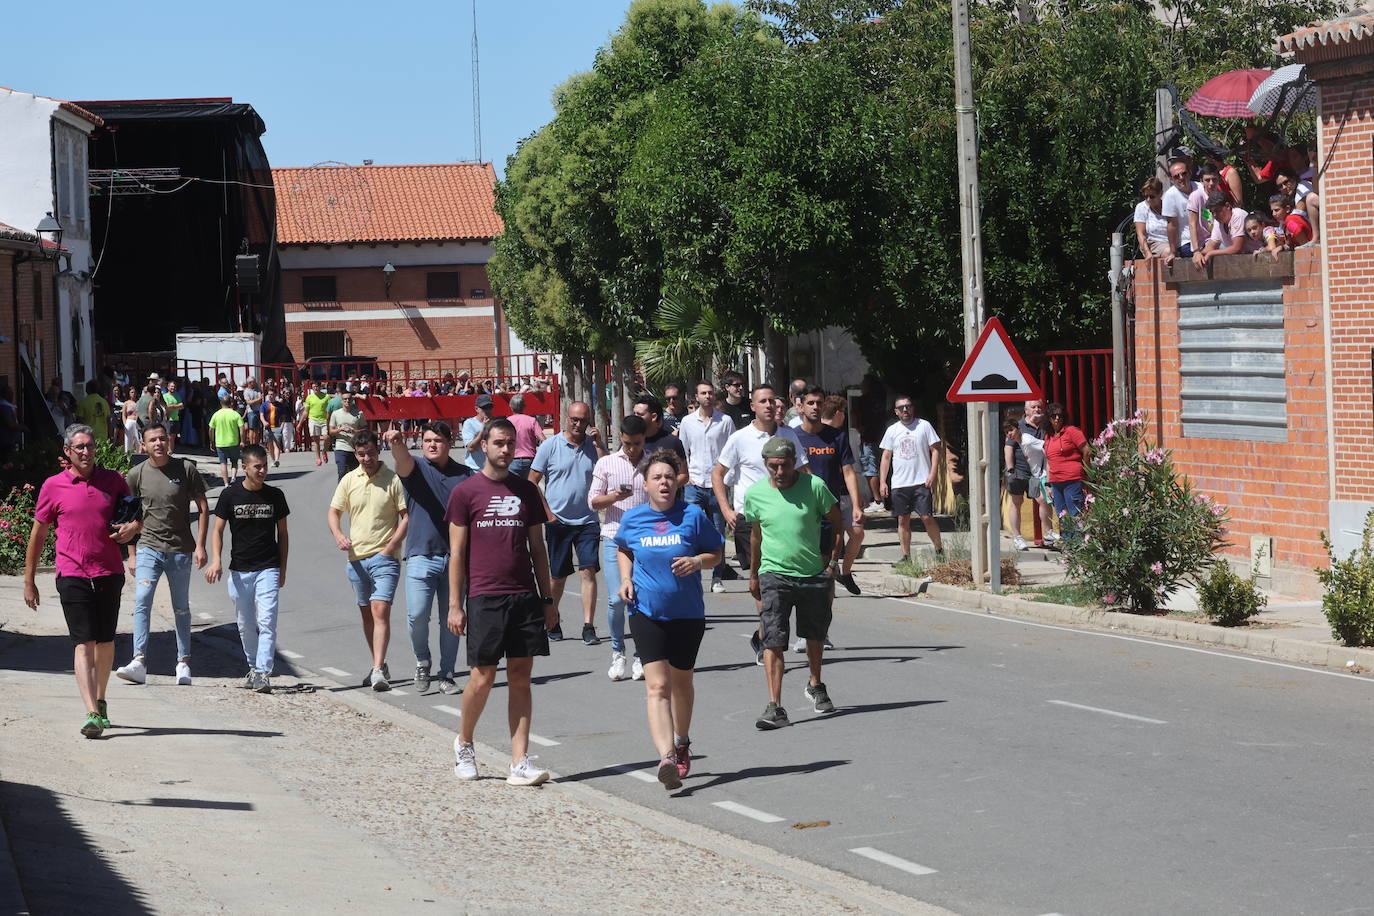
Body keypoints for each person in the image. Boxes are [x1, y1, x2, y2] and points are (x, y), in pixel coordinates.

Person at [445, 418, 556, 786]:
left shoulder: (526, 491)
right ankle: (464, 743)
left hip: (524, 595)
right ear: (484, 446)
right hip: (484, 596)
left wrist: (547, 598)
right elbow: (457, 553)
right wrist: (455, 604)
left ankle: (519, 761)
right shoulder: (466, 493)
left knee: (522, 678)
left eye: (511, 443)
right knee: (483, 677)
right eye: (499, 443)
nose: (506, 450)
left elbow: (537, 548)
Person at [614, 449, 724, 789]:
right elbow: (623, 548)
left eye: (668, 477)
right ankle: (666, 757)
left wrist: (697, 562)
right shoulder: (633, 519)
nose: (663, 482)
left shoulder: (692, 515)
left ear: (678, 481)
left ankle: (682, 741)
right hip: (646, 612)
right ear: (645, 485)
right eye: (656, 478)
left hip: (687, 613)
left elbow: (716, 552)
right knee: (657, 686)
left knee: (682, 683)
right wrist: (626, 578)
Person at [24, 424, 140, 738]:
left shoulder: (113, 480)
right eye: (80, 448)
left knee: (105, 642)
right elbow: (39, 533)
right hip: (72, 573)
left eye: (90, 446)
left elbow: (133, 518)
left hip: (108, 572)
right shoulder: (53, 486)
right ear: (68, 452)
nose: (86, 452)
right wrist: (29, 580)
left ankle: (101, 700)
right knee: (83, 643)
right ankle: (90, 712)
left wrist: (131, 534)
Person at [746, 436, 842, 729]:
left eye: (785, 465)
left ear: (794, 463)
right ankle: (775, 706)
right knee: (773, 638)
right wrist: (753, 573)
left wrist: (833, 564)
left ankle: (816, 684)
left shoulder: (814, 487)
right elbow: (756, 536)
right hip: (773, 573)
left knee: (814, 634)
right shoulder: (755, 494)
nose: (779, 472)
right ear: (765, 464)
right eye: (773, 466)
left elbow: (838, 523)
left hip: (813, 572)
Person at [712, 384, 807, 665]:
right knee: (764, 582)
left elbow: (803, 472)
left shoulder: (789, 436)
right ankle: (770, 640)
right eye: (762, 401)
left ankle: (764, 633)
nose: (768, 406)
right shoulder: (740, 438)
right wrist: (726, 509)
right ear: (752, 406)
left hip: (787, 519)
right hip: (750, 520)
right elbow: (718, 474)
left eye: (772, 401)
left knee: (787, 581)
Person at [114, 424, 208, 687]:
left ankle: (183, 663)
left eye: (162, 439)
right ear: (143, 445)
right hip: (148, 547)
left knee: (181, 607)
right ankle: (139, 661)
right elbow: (127, 517)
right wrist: (131, 554)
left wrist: (200, 545)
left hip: (180, 549)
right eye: (152, 440)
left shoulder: (186, 469)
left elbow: (203, 508)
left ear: (168, 441)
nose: (158, 443)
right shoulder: (136, 474)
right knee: (142, 600)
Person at [386, 421, 470, 695]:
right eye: (427, 440)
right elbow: (402, 460)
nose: (432, 444)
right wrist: (397, 442)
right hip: (421, 556)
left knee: (452, 620)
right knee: (417, 615)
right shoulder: (417, 469)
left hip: (456, 559)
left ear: (450, 443)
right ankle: (422, 660)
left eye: (438, 440)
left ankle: (447, 673)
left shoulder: (465, 475)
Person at [205, 444, 289, 693]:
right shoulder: (230, 495)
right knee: (244, 623)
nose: (262, 471)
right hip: (240, 570)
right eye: (257, 467)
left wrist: (282, 568)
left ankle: (263, 672)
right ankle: (253, 667)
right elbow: (218, 530)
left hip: (268, 567)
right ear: (244, 468)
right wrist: (216, 560)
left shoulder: (275, 496)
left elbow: (283, 534)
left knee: (267, 621)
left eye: (264, 466)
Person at [328, 430, 408, 690]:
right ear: (355, 454)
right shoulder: (349, 480)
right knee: (367, 615)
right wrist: (339, 534)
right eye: (361, 454)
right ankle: (379, 662)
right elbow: (334, 512)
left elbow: (406, 516)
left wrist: (391, 547)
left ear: (378, 450)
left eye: (371, 453)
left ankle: (377, 671)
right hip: (356, 559)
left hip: (385, 558)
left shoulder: (393, 479)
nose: (366, 458)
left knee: (380, 610)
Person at [529, 401, 606, 644]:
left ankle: (588, 626)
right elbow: (532, 482)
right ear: (566, 419)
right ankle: (552, 618)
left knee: (588, 571)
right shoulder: (550, 446)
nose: (578, 424)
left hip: (588, 521)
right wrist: (547, 514)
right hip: (558, 521)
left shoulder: (593, 448)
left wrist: (600, 445)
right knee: (558, 576)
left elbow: (610, 472)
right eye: (574, 419)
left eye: (583, 420)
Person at [589, 415, 650, 681]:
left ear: (644, 439)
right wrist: (614, 496)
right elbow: (593, 502)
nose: (631, 449)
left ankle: (641, 655)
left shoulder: (653, 463)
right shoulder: (607, 463)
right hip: (615, 537)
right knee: (617, 599)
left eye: (636, 443)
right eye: (626, 443)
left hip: (646, 541)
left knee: (641, 600)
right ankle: (618, 651)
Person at [796, 386, 864, 596]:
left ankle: (825, 605)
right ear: (801, 406)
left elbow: (848, 472)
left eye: (819, 403)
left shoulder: (837, 437)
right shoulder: (792, 436)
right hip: (800, 510)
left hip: (828, 508)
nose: (815, 407)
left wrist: (856, 504)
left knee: (826, 567)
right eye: (810, 403)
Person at [677, 380, 735, 595]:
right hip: (694, 483)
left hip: (717, 485)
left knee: (717, 531)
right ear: (697, 397)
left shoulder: (725, 421)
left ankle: (717, 577)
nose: (708, 396)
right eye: (703, 393)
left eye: (710, 393)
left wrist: (727, 478)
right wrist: (687, 476)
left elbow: (732, 449)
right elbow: (683, 450)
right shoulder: (687, 422)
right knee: (689, 529)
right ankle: (691, 573)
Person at [878, 395, 944, 563]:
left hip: (921, 481)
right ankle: (906, 556)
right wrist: (883, 481)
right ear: (896, 412)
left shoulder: (924, 426)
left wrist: (932, 473)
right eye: (901, 408)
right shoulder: (892, 430)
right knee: (903, 519)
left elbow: (936, 450)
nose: (905, 410)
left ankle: (939, 550)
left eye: (908, 406)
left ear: (913, 408)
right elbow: (886, 457)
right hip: (900, 483)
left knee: (927, 517)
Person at [820, 394, 867, 591]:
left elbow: (848, 470)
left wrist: (857, 499)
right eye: (844, 413)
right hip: (822, 497)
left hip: (844, 494)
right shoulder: (814, 433)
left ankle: (845, 573)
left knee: (857, 533)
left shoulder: (840, 436)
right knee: (826, 541)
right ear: (839, 413)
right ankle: (826, 580)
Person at [1045, 403, 1090, 530]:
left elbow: (1087, 451)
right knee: (1062, 515)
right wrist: (1048, 484)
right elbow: (1049, 460)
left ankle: (1078, 546)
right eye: (1054, 416)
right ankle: (1067, 547)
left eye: (1060, 415)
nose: (1057, 418)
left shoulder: (1072, 431)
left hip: (1072, 480)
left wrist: (1087, 471)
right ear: (1048, 418)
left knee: (1075, 515)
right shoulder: (1048, 436)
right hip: (1056, 482)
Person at [1019, 399, 1057, 547]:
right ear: (1026, 410)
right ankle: (1047, 533)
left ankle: (1048, 534)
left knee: (1047, 501)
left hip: (1047, 469)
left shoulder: (1047, 425)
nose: (1037, 409)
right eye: (1033, 407)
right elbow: (1010, 445)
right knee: (1041, 500)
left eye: (1039, 407)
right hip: (1029, 472)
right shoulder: (1020, 427)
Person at [1192, 192, 1248, 268]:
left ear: (1227, 206)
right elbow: (1211, 245)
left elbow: (1237, 248)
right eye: (1212, 212)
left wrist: (1211, 253)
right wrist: (1198, 254)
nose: (1214, 215)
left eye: (1217, 211)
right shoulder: (1218, 222)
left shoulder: (1238, 215)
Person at [632, 394, 688, 469]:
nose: (635, 418)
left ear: (653, 417)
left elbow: (683, 474)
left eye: (640, 415)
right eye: (634, 414)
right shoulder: (630, 441)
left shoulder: (672, 442)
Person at [1164, 158, 1200, 258]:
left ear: (1190, 173)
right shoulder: (1170, 196)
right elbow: (1172, 226)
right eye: (1176, 176)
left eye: (1184, 173)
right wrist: (1173, 252)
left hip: (1207, 239)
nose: (1181, 178)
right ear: (1171, 179)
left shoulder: (1200, 188)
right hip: (1187, 242)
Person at [209, 395, 245, 487]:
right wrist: (242, 440)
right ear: (231, 403)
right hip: (233, 442)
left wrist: (211, 441)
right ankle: (233, 477)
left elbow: (211, 429)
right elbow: (242, 428)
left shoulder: (216, 415)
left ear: (221, 403)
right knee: (234, 462)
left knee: (223, 463)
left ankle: (225, 483)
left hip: (220, 443)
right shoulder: (235, 414)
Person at [506, 393, 545, 478]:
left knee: (513, 489)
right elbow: (544, 440)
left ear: (511, 406)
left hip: (513, 459)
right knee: (530, 488)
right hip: (530, 459)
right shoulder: (532, 420)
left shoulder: (507, 422)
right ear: (524, 406)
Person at [1133, 177, 1172, 261]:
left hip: (1171, 241)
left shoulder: (1168, 205)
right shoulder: (1142, 207)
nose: (1148, 199)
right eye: (1146, 196)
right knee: (1170, 252)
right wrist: (1147, 253)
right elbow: (1140, 234)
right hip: (1153, 243)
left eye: (1152, 196)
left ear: (1160, 194)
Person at [329, 391, 365, 480]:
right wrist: (340, 429)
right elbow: (331, 431)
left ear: (352, 400)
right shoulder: (335, 414)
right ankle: (341, 493)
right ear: (341, 401)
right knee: (342, 472)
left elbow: (365, 431)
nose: (347, 401)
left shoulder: (359, 413)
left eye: (349, 399)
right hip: (341, 447)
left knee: (356, 475)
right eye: (345, 399)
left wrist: (353, 431)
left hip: (355, 447)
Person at [462, 393, 494, 471]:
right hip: (475, 469)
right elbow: (470, 448)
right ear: (476, 409)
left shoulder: (495, 423)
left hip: (492, 469)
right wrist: (483, 428)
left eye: (490, 407)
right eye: (484, 408)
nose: (487, 410)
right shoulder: (469, 423)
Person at [304, 381, 331, 467]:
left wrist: (329, 419)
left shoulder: (326, 397)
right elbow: (306, 411)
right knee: (316, 440)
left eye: (317, 386)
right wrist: (300, 422)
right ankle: (318, 458)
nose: (315, 388)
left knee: (327, 437)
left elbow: (329, 409)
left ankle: (324, 451)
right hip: (313, 419)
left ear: (320, 387)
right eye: (314, 387)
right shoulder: (309, 397)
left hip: (324, 420)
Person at [163, 380, 184, 451]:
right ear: (168, 387)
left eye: (174, 387)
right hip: (168, 419)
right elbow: (167, 407)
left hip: (176, 418)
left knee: (173, 436)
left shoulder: (177, 395)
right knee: (169, 436)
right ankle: (168, 451)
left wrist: (172, 406)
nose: (173, 388)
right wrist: (176, 406)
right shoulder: (165, 396)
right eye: (172, 386)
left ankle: (171, 451)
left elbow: (182, 406)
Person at [121, 387, 140, 453]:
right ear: (129, 394)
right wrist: (125, 424)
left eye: (134, 392)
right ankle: (127, 455)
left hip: (137, 422)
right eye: (132, 392)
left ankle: (138, 455)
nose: (133, 394)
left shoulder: (139, 402)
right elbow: (123, 415)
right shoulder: (126, 403)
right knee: (128, 441)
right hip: (129, 422)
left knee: (138, 441)